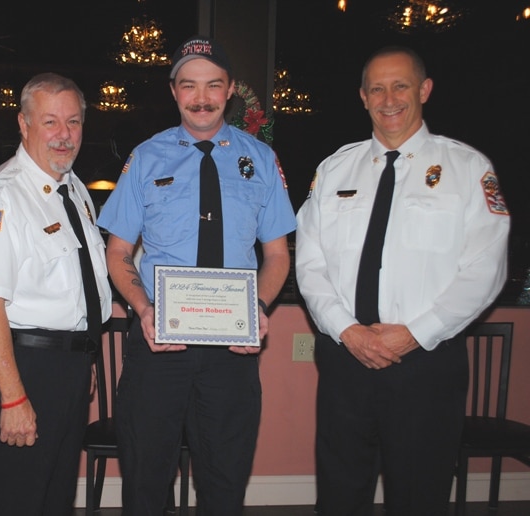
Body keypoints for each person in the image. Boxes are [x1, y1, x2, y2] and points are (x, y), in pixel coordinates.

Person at [295, 46, 510, 515]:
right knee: (338, 494)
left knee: (420, 496)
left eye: (401, 85)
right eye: (377, 88)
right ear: (362, 97)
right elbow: (310, 263)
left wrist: (415, 333)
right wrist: (347, 330)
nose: (388, 98)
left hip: (426, 365)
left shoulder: (468, 169)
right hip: (345, 361)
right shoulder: (335, 170)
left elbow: (485, 268)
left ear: (424, 90)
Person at [97, 36, 296, 515]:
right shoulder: (146, 158)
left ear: (230, 90)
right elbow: (117, 250)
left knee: (225, 482)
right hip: (158, 344)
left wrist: (260, 308)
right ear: (174, 91)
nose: (201, 97)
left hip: (233, 349)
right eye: (189, 85)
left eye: (212, 85)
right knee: (146, 482)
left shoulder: (261, 160)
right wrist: (143, 309)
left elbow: (277, 254)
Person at [0, 72, 112, 516]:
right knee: (12, 498)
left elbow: (76, 288)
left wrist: (82, 356)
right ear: (23, 124)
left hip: (67, 366)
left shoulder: (74, 190)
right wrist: (12, 397)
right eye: (50, 122)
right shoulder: (0, 197)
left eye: (73, 122)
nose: (64, 135)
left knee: (53, 498)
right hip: (23, 366)